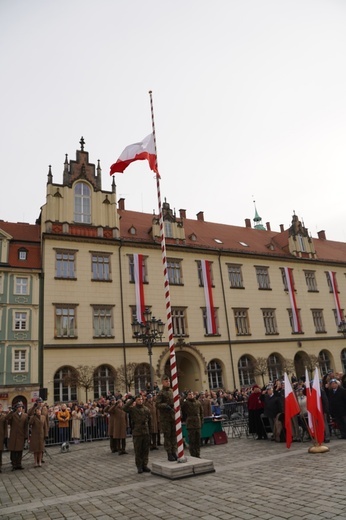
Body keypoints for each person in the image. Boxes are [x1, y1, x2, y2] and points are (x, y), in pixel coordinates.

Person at [123, 394, 151, 474]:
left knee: (145, 450)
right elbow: (124, 408)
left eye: (141, 399)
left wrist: (150, 431)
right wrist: (132, 399)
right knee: (138, 450)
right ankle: (139, 466)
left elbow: (150, 420)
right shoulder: (133, 409)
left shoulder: (146, 409)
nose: (140, 401)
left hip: (146, 431)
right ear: (136, 401)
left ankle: (144, 465)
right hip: (137, 432)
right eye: (138, 399)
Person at [156, 375, 177, 461]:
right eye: (166, 381)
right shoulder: (161, 393)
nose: (168, 382)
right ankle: (169, 453)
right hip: (165, 418)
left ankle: (174, 451)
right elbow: (157, 404)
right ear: (162, 383)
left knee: (174, 435)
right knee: (167, 436)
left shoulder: (172, 391)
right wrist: (165, 405)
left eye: (168, 381)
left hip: (172, 416)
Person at [7, 401, 29, 470]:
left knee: (20, 450)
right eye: (19, 407)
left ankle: (19, 464)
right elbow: (7, 419)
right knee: (13, 451)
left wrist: (26, 435)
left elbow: (26, 426)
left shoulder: (25, 415)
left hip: (21, 435)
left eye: (21, 407)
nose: (20, 408)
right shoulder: (13, 415)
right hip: (14, 435)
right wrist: (11, 412)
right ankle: (14, 464)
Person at [181, 390, 204, 458]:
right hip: (190, 424)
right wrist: (186, 420)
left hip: (197, 423)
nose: (191, 395)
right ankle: (193, 455)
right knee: (192, 441)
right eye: (189, 394)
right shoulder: (186, 403)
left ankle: (198, 454)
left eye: (192, 394)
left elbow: (201, 412)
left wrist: (201, 421)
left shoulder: (197, 402)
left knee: (198, 440)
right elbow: (183, 412)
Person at [0, 403, 8, 473]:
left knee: (0, 451)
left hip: (1, 436)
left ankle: (0, 465)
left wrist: (6, 436)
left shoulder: (4, 416)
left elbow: (5, 427)